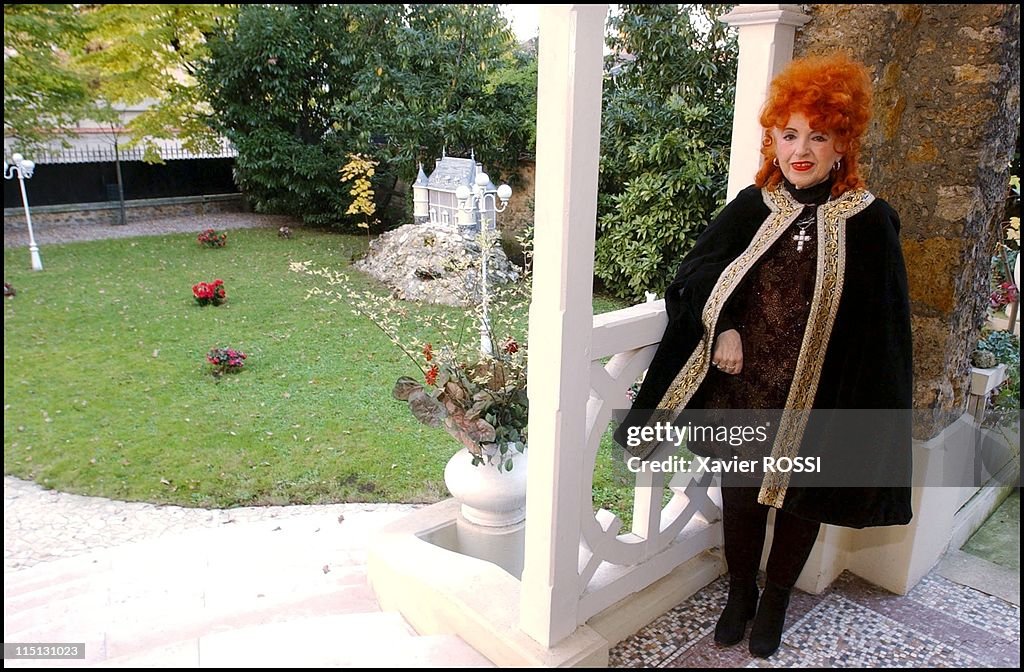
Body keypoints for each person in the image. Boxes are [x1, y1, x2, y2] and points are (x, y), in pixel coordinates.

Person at [614, 53, 913, 658]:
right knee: (742, 496)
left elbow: (884, 329)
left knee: (804, 502)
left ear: (841, 145)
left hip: (820, 400)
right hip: (745, 393)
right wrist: (721, 326)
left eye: (818, 135)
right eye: (789, 133)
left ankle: (776, 602)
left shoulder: (873, 221)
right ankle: (741, 595)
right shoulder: (753, 207)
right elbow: (695, 273)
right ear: (773, 137)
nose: (801, 148)